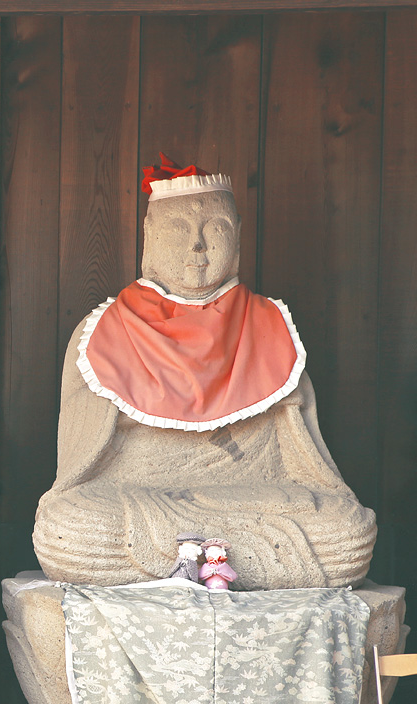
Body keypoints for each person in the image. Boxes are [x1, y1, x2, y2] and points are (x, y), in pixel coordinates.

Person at [33, 155, 375, 590]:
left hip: (246, 497)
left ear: (238, 238)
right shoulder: (102, 332)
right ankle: (235, 559)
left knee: (346, 529)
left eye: (216, 229)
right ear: (149, 236)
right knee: (67, 527)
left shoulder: (271, 327)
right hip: (139, 496)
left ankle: (185, 557)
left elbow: (306, 466)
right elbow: (78, 471)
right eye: (179, 229)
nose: (197, 246)